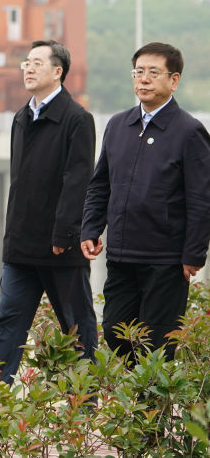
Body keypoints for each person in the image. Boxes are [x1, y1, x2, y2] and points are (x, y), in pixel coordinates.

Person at [81, 42, 210, 361]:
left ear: (174, 80)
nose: (144, 79)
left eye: (154, 72)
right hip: (122, 254)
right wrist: (91, 228)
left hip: (166, 259)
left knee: (157, 345)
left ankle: (150, 393)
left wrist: (194, 253)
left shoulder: (190, 132)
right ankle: (136, 386)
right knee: (114, 330)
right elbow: (100, 184)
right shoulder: (117, 125)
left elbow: (201, 199)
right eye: (138, 71)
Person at [0, 39, 98, 384]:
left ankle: (87, 403)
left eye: (37, 63)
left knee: (78, 329)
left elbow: (77, 180)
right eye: (26, 63)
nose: (29, 69)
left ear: (58, 71)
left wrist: (64, 234)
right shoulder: (22, 117)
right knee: (4, 326)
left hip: (60, 247)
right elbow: (19, 185)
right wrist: (10, 240)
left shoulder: (77, 119)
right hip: (22, 247)